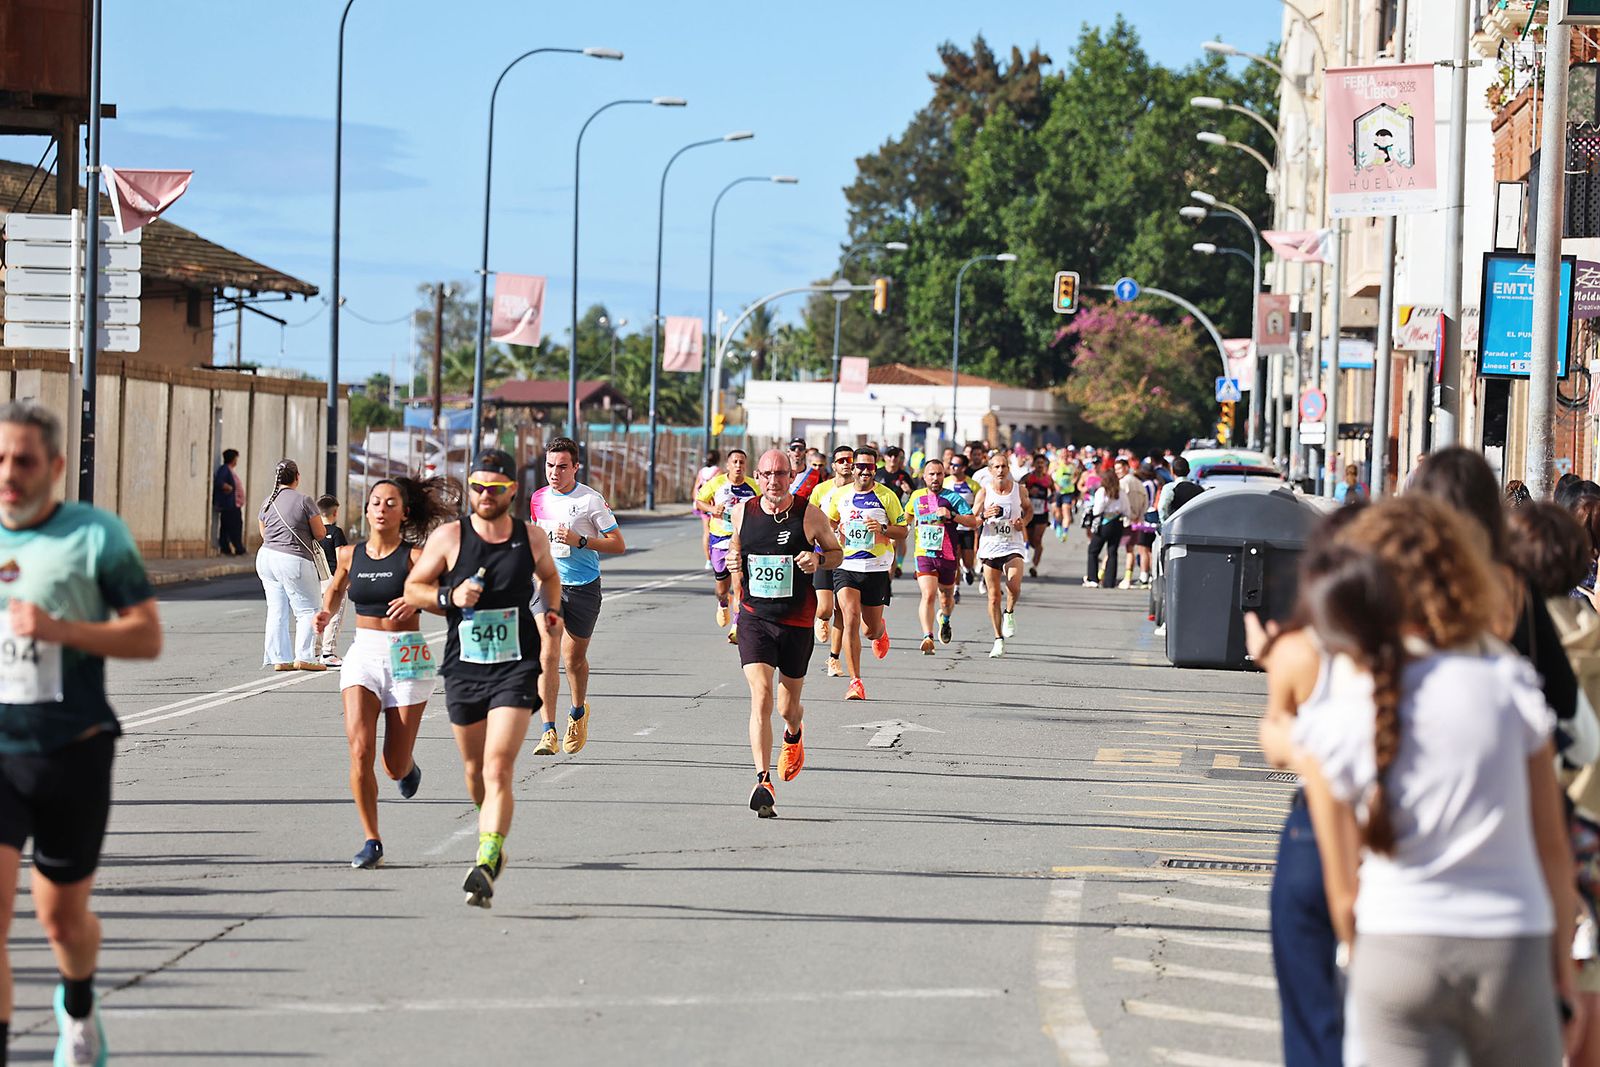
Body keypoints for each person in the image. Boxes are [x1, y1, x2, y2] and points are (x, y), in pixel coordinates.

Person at [1285, 499, 1580, 1063]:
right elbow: (1553, 853)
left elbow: (1343, 890)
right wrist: (1561, 980)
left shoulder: (1346, 702)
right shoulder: (1508, 684)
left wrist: (1362, 958)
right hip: (1512, 951)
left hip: (1397, 948)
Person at [0, 401, 161, 1067]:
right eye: (0, 459)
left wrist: (61, 629)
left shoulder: (96, 535)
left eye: (24, 460)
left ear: (56, 466)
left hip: (74, 748)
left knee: (61, 919)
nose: (9, 472)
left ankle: (79, 1004)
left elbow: (147, 634)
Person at [404, 448, 562, 908]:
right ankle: (489, 824)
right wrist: (450, 595)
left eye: (494, 488)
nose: (484, 495)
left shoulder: (530, 538)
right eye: (477, 487)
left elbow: (549, 577)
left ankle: (488, 855)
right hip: (464, 667)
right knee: (474, 771)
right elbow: (414, 588)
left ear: (512, 490)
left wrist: (551, 610)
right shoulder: (450, 537)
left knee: (497, 767)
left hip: (515, 666)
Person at [316, 476, 457, 869]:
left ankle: (407, 767)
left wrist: (419, 602)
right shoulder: (348, 554)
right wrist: (325, 613)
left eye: (390, 502)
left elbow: (448, 602)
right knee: (359, 750)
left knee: (392, 762)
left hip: (408, 654)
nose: (381, 508)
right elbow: (336, 588)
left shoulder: (417, 558)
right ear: (367, 510)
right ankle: (371, 840)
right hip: (364, 652)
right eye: (375, 502)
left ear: (404, 512)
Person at [727, 450, 843, 817]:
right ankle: (763, 780)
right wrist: (733, 564)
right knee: (760, 696)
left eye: (780, 474)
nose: (773, 481)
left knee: (786, 706)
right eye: (766, 474)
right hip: (754, 618)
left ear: (791, 475)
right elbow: (736, 550)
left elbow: (837, 552)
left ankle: (794, 731)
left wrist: (819, 560)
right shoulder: (742, 512)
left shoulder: (808, 514)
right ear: (757, 477)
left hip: (795, 622)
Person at [528, 437, 624, 757]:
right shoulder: (538, 498)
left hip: (583, 586)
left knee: (573, 659)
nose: (555, 472)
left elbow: (617, 544)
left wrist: (579, 540)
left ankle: (578, 712)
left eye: (562, 467)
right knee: (547, 653)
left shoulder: (590, 500)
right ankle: (547, 731)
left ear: (576, 467)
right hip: (547, 585)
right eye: (550, 466)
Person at [823, 447, 907, 699]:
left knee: (869, 630)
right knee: (849, 618)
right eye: (860, 466)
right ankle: (855, 681)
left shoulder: (886, 496)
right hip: (846, 566)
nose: (865, 471)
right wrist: (837, 532)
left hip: (876, 567)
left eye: (870, 467)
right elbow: (829, 522)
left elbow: (902, 531)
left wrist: (882, 528)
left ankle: (880, 630)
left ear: (875, 469)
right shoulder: (840, 496)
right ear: (853, 466)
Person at [256, 459, 328, 672]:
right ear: (297, 477)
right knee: (308, 609)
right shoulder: (305, 501)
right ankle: (305, 657)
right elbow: (320, 533)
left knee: (276, 609)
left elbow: (263, 533)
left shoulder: (267, 501)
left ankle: (280, 658)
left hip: (266, 558)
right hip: (293, 559)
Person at [907, 458, 978, 653]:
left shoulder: (953, 498)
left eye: (939, 474)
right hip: (924, 553)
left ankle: (945, 620)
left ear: (944, 476)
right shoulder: (916, 497)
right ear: (924, 476)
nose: (935, 478)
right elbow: (905, 518)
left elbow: (972, 521)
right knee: (928, 594)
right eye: (931, 474)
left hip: (947, 555)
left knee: (946, 598)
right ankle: (927, 636)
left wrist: (951, 515)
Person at [694, 449, 759, 643]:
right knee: (722, 588)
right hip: (720, 539)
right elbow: (699, 502)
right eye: (735, 462)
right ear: (728, 465)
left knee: (740, 585)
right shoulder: (717, 483)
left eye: (742, 462)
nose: (738, 465)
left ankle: (737, 627)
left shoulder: (754, 486)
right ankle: (723, 602)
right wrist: (713, 509)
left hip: (743, 541)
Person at [972, 451, 1028, 657]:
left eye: (1004, 466)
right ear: (990, 470)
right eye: (996, 467)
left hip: (1013, 545)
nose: (1000, 470)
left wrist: (1023, 522)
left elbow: (1029, 511)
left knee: (1014, 584)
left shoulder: (1019, 490)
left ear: (1008, 469)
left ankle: (1010, 612)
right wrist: (983, 515)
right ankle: (998, 638)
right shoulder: (984, 493)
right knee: (994, 597)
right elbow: (972, 519)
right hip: (990, 547)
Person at [810, 446, 856, 671]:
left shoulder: (860, 492)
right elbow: (809, 517)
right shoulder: (821, 490)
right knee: (825, 609)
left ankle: (834, 658)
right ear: (834, 465)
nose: (846, 464)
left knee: (843, 609)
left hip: (850, 557)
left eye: (850, 460)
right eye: (841, 460)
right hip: (824, 554)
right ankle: (822, 619)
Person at [315, 495, 348, 667]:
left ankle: (314, 651)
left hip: (315, 579)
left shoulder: (312, 532)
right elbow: (341, 557)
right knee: (334, 615)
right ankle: (328, 652)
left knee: (316, 614)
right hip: (332, 579)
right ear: (335, 512)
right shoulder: (336, 532)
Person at [1085, 468, 1129, 589]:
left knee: (1093, 550)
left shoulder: (1102, 491)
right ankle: (1110, 581)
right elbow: (1127, 510)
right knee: (1112, 551)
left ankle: (1092, 578)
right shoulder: (1121, 492)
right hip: (1118, 523)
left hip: (1104, 522)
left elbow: (1097, 510)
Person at [944, 454, 982, 590]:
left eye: (956, 465)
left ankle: (967, 569)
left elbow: (980, 503)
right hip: (949, 528)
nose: (952, 467)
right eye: (951, 464)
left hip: (966, 528)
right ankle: (956, 590)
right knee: (953, 559)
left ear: (964, 467)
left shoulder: (973, 485)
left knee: (968, 561)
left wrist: (974, 519)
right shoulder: (945, 482)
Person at [879, 447, 916, 579]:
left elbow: (915, 495)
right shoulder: (878, 474)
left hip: (897, 514)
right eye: (890, 455)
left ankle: (894, 571)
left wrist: (908, 491)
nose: (893, 458)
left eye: (896, 456)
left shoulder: (903, 475)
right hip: (879, 514)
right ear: (885, 457)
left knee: (895, 543)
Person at [1021, 453, 1053, 578]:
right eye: (1038, 463)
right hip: (1029, 511)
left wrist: (1051, 499)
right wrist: (1028, 492)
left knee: (1038, 539)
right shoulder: (1029, 477)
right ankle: (1031, 551)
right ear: (1033, 465)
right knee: (1028, 539)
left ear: (1045, 465)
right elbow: (1018, 488)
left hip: (1042, 513)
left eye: (1042, 463)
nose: (1040, 465)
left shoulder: (1048, 479)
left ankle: (1034, 566)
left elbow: (1053, 491)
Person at [213, 447, 245, 555]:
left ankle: (226, 548)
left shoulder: (229, 470)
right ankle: (238, 548)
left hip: (233, 504)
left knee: (227, 527)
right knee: (234, 527)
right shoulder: (224, 469)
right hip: (230, 505)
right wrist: (227, 487)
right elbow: (219, 482)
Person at [693, 450, 721, 571]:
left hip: (703, 504)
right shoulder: (718, 472)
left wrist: (696, 501)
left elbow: (695, 487)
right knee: (717, 531)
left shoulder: (701, 472)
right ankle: (716, 557)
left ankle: (708, 559)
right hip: (714, 505)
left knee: (706, 532)